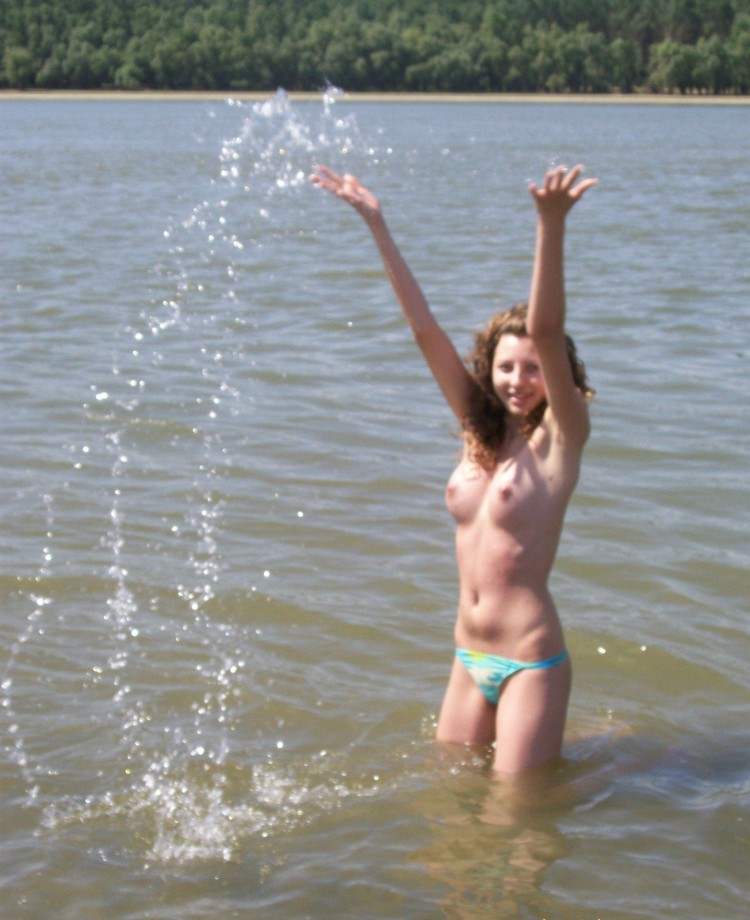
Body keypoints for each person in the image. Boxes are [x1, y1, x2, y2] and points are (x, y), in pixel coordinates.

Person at [310, 162, 597, 774]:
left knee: (514, 817)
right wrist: (376, 223)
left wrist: (550, 226)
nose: (518, 380)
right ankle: (602, 748)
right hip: (468, 655)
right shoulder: (477, 427)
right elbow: (422, 329)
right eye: (506, 366)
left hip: (529, 659)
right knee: (450, 803)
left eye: (534, 368)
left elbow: (547, 329)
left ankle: (614, 758)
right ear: (487, 370)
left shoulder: (562, 439)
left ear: (559, 378)